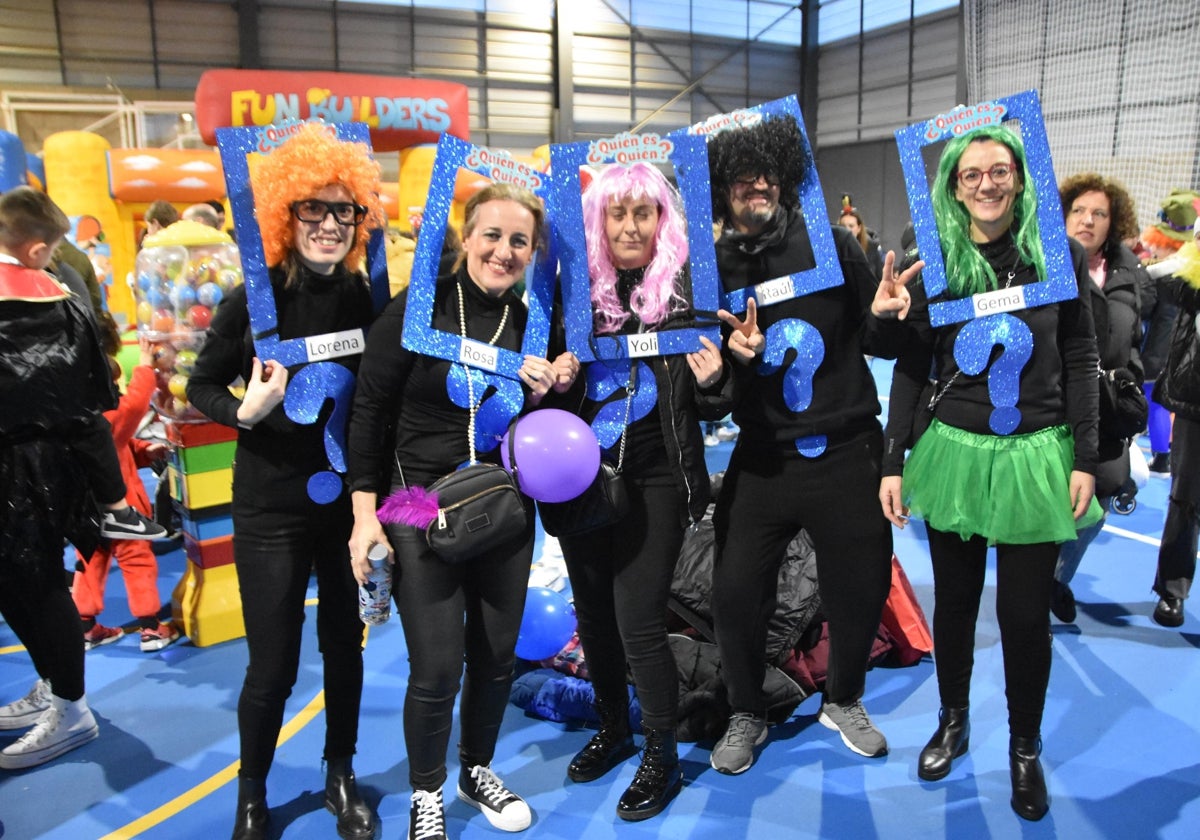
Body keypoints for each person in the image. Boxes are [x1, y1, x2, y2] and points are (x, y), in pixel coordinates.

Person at [878, 124, 1100, 821]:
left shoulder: (1052, 253)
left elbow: (1083, 359)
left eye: (998, 170)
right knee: (956, 602)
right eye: (970, 174)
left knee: (1024, 616)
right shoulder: (938, 261)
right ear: (952, 185)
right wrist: (893, 459)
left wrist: (1088, 457)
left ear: (1019, 176)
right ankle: (952, 721)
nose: (986, 184)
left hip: (1037, 453)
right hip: (955, 453)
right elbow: (911, 364)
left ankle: (1024, 748)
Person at [346, 182, 577, 840]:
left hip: (502, 497)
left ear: (533, 252)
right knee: (439, 663)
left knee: (498, 655)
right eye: (493, 236)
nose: (503, 252)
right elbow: (367, 414)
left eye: (519, 241)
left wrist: (552, 385)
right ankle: (427, 791)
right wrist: (367, 517)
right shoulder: (417, 310)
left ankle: (477, 768)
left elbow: (546, 423)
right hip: (413, 497)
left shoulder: (532, 323)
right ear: (467, 238)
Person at [704, 114, 918, 775]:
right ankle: (745, 711)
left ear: (786, 174)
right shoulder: (710, 267)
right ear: (721, 188)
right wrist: (729, 367)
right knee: (737, 591)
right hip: (764, 457)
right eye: (740, 178)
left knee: (859, 586)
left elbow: (879, 341)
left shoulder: (831, 244)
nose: (756, 186)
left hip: (848, 447)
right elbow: (712, 396)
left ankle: (844, 698)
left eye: (766, 172)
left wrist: (885, 317)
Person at [187, 123, 382, 840]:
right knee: (271, 661)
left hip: (347, 509)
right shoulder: (255, 298)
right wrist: (244, 411)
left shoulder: (367, 298)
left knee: (344, 647)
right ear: (283, 214)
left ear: (361, 219)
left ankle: (340, 773)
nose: (330, 224)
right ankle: (252, 793)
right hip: (269, 506)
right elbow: (199, 384)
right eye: (313, 208)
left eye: (344, 210)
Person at [557, 163, 726, 820]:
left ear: (662, 221)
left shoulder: (684, 300)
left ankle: (661, 751)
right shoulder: (572, 297)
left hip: (657, 479)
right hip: (581, 478)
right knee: (593, 616)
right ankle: (614, 726)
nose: (630, 226)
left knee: (637, 622)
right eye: (616, 213)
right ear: (599, 221)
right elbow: (549, 389)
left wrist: (715, 382)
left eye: (643, 213)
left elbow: (717, 404)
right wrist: (559, 376)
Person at [0, 188, 115, 770]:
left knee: (39, 583)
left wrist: (113, 492)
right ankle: (55, 683)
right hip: (34, 467)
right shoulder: (58, 299)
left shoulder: (54, 300)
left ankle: (70, 703)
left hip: (35, 473)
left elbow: (84, 407)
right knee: (19, 585)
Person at [0, 187, 164, 542]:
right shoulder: (55, 303)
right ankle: (117, 509)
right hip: (36, 463)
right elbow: (85, 397)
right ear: (38, 250)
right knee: (90, 421)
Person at [1051, 173, 1148, 622]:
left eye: (1099, 214)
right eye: (1079, 211)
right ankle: (1036, 591)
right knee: (1049, 502)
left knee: (1097, 504)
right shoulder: (1045, 262)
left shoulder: (1130, 275)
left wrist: (1131, 381)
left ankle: (1055, 580)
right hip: (1052, 404)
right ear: (1063, 214)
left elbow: (1136, 341)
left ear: (1114, 222)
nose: (1088, 220)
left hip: (1105, 409)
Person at [73, 314, 181, 652]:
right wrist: (146, 366)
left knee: (89, 561)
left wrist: (146, 451)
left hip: (86, 510)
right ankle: (150, 627)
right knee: (137, 561)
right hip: (120, 507)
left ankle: (86, 625)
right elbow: (133, 406)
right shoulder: (108, 415)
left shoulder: (78, 418)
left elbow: (119, 447)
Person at [1147, 209, 1200, 627]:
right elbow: (1156, 283)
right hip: (1195, 403)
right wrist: (1189, 254)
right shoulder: (1190, 283)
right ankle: (1172, 590)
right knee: (1185, 500)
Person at [838, 202, 884, 280]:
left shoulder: (872, 249)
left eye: (851, 226)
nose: (847, 230)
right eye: (843, 226)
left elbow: (880, 278)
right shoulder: (834, 251)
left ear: (859, 228)